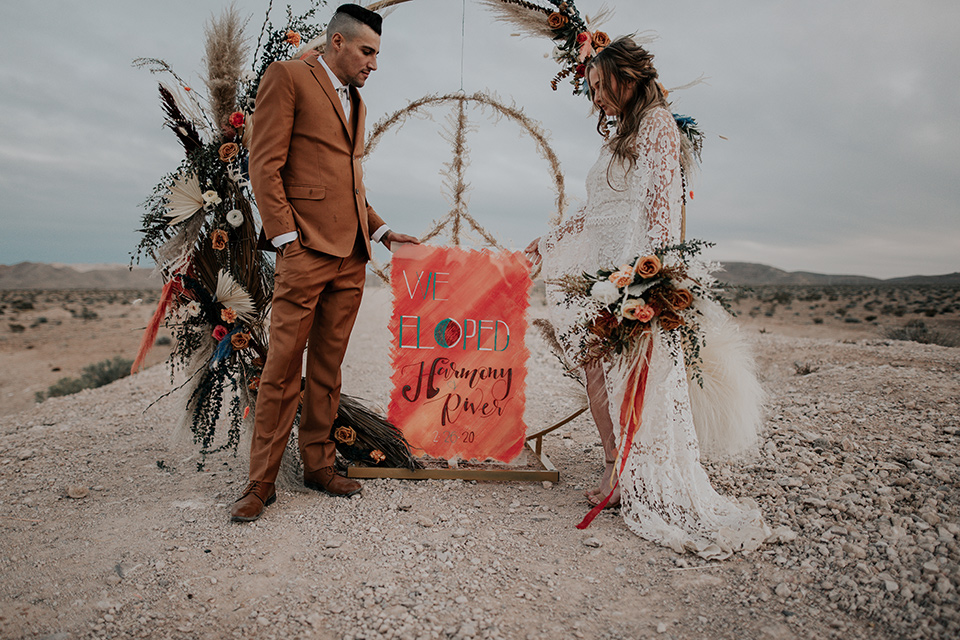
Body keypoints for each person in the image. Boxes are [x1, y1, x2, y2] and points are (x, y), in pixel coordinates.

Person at [526, 37, 768, 558]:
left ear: (627, 77)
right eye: (588, 88)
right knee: (595, 367)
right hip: (602, 271)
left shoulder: (658, 125)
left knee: (631, 378)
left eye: (599, 87)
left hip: (633, 275)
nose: (594, 99)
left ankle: (629, 472)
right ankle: (616, 464)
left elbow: (662, 207)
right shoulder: (623, 133)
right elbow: (598, 211)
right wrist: (547, 243)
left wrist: (646, 280)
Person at [231, 4, 418, 522]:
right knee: (283, 368)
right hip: (305, 251)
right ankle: (261, 483)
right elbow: (263, 164)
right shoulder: (288, 77)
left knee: (328, 368)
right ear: (336, 42)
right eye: (367, 51)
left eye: (377, 55)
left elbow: (348, 182)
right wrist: (287, 237)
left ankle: (318, 465)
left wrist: (379, 230)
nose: (373, 64)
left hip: (351, 255)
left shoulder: (356, 101)